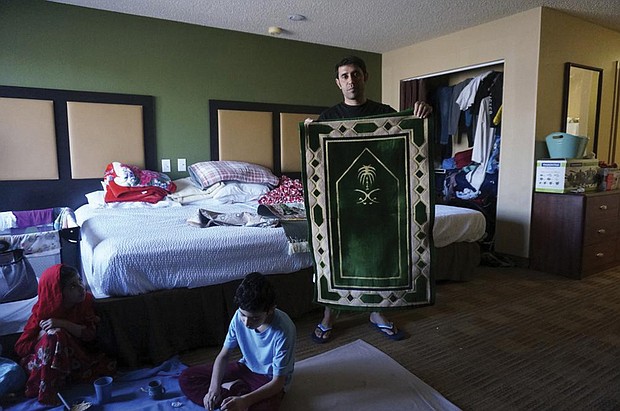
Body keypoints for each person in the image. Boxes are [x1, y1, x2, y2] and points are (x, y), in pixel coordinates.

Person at [311, 55, 433, 344]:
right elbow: (317, 163)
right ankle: (330, 315)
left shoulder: (386, 114)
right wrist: (309, 131)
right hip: (341, 204)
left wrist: (423, 113)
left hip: (379, 200)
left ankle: (378, 312)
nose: (351, 80)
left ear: (365, 77)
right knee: (334, 254)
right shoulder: (327, 119)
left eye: (355, 74)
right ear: (338, 82)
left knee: (380, 253)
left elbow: (406, 144)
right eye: (344, 76)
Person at [179, 272, 295, 411]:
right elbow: (224, 355)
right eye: (243, 315)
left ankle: (238, 398)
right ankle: (234, 397)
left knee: (265, 407)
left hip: (268, 379)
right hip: (245, 368)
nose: (246, 323)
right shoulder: (238, 318)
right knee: (187, 377)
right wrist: (213, 389)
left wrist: (245, 401)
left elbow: (278, 382)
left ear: (270, 310)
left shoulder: (284, 330)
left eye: (255, 318)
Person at [14, 264, 116, 405]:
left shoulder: (85, 302)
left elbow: (89, 335)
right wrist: (42, 335)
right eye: (72, 286)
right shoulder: (42, 312)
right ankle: (47, 392)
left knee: (107, 365)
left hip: (75, 360)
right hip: (43, 364)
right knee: (54, 336)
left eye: (80, 281)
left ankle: (58, 382)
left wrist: (62, 323)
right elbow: (21, 348)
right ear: (57, 292)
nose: (81, 288)